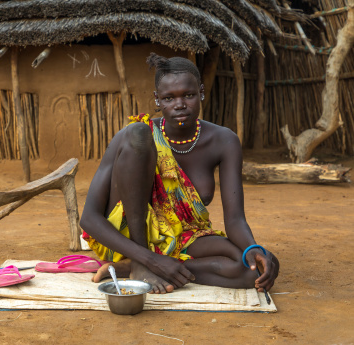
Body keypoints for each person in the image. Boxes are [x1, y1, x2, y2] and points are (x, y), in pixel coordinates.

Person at [80, 53, 279, 294]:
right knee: (138, 134)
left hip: (185, 237)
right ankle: (142, 263)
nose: (180, 104)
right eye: (168, 98)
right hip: (129, 240)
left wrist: (253, 249)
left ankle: (139, 267)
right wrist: (149, 258)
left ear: (201, 92)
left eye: (189, 95)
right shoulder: (136, 137)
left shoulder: (224, 141)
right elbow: (89, 219)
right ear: (157, 99)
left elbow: (235, 219)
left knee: (255, 268)